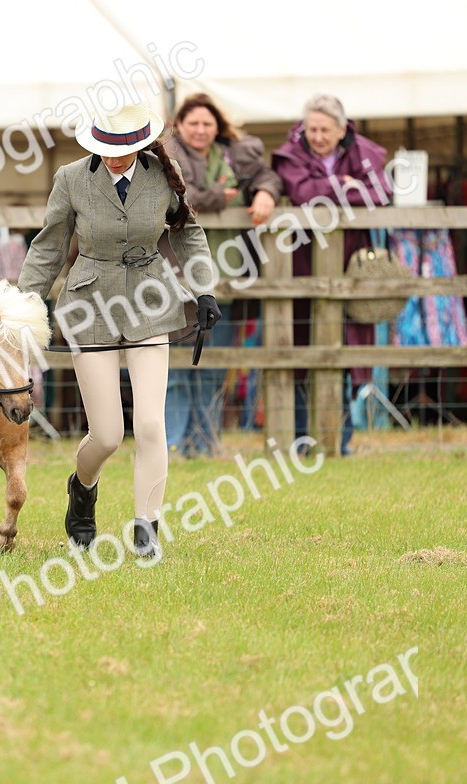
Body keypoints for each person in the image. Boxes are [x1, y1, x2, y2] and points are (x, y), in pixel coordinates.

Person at [17, 100, 220, 559]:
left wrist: (204, 289)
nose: (114, 157)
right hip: (90, 304)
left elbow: (188, 233)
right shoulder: (71, 178)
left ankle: (146, 528)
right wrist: (26, 301)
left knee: (149, 424)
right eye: (106, 148)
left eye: (123, 149)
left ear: (141, 143)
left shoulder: (164, 177)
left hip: (151, 301)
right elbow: (49, 244)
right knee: (106, 434)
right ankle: (82, 489)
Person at [160, 93, 283, 458]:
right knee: (177, 367)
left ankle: (206, 444)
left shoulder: (235, 154)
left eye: (207, 123)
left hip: (227, 278)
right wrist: (216, 195)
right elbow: (180, 196)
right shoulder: (164, 156)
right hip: (175, 277)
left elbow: (269, 175)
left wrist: (264, 194)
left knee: (214, 367)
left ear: (217, 127)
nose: (200, 130)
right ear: (179, 125)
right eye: (193, 123)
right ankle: (172, 444)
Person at [272, 93, 391, 455]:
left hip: (352, 262)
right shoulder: (291, 154)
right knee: (303, 351)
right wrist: (348, 185)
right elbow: (304, 193)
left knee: (346, 349)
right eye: (312, 129)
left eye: (325, 129)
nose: (318, 136)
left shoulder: (364, 150)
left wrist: (336, 189)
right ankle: (299, 442)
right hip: (303, 261)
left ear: (342, 130)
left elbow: (381, 192)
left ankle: (340, 441)